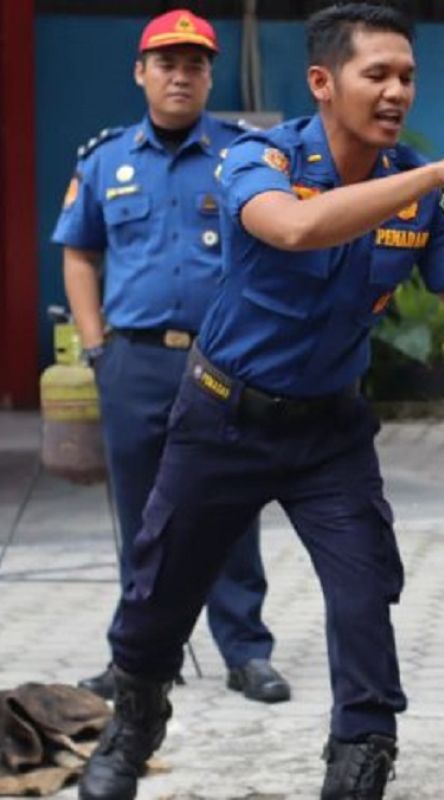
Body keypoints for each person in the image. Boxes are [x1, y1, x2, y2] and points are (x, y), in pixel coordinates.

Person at [76, 4, 444, 799]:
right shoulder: (259, 159)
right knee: (156, 593)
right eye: (376, 74)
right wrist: (438, 174)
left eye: (407, 76)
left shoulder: (421, 194)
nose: (397, 92)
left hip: (329, 433)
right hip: (222, 418)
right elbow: (295, 228)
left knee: (364, 593)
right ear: (323, 81)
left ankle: (360, 763)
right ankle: (133, 726)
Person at [51, 9, 291, 707]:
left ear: (210, 76)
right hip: (134, 362)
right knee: (142, 513)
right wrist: (97, 348)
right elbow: (79, 255)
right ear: (141, 73)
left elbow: (279, 249)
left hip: (224, 362)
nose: (180, 77)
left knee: (231, 504)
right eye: (167, 64)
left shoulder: (245, 156)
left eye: (194, 65)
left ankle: (246, 651)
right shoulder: (105, 161)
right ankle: (140, 659)